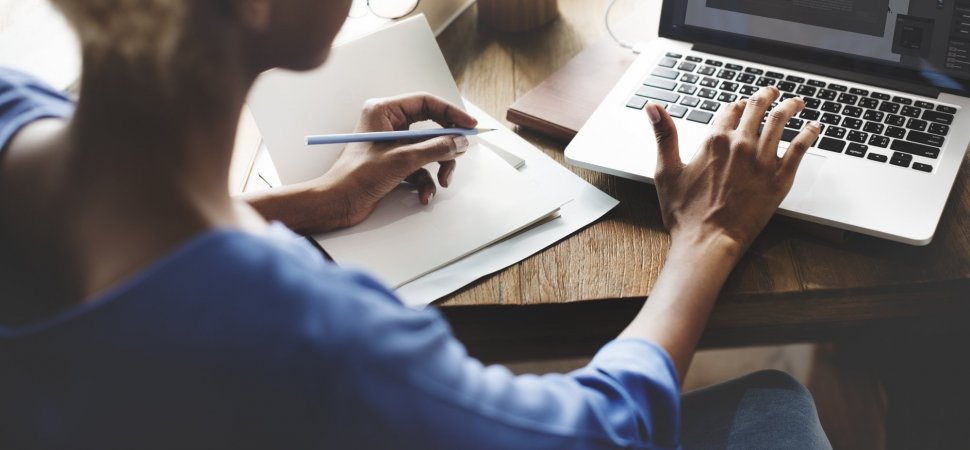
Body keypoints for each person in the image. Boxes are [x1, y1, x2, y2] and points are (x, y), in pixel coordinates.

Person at [0, 1, 830, 448]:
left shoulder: (14, 111)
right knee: (774, 410)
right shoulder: (310, 338)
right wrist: (707, 236)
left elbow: (116, 247)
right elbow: (604, 431)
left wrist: (308, 204)